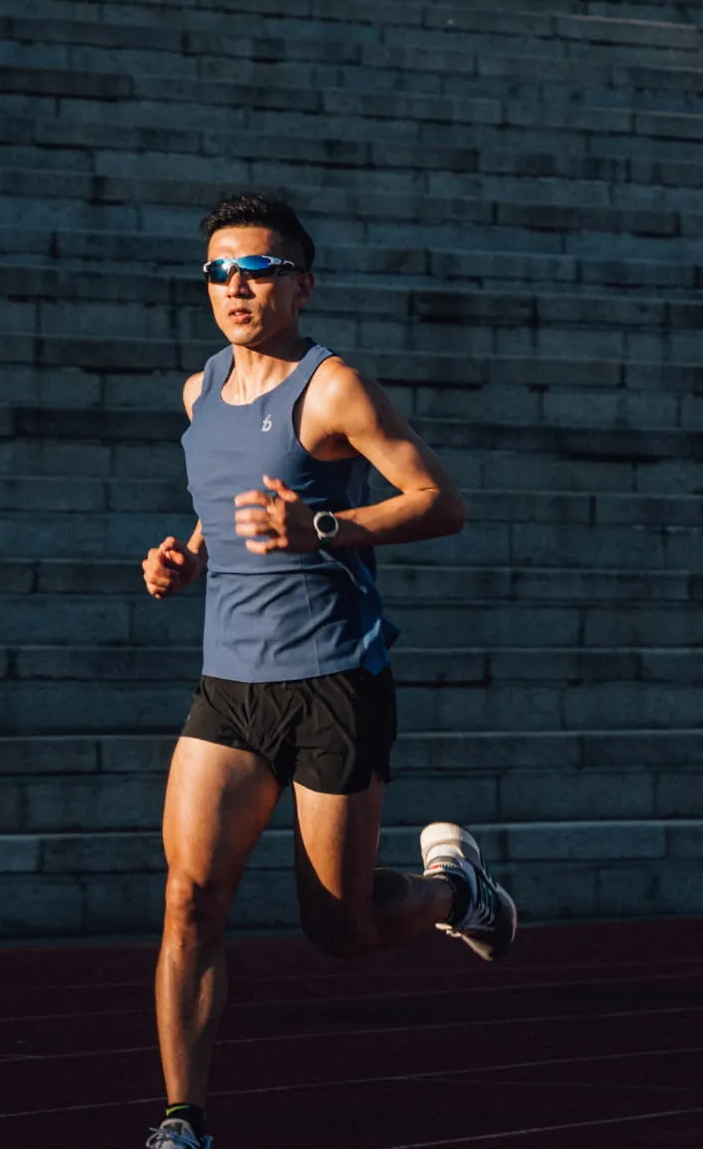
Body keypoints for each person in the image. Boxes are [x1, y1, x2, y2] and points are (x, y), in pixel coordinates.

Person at [138, 193, 517, 1149]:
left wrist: (325, 527)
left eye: (256, 270)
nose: (234, 287)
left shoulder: (332, 387)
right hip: (228, 688)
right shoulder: (197, 391)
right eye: (218, 271)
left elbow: (441, 501)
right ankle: (184, 1120)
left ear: (301, 285)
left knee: (338, 927)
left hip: (334, 684)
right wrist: (183, 556)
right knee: (189, 899)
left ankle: (455, 894)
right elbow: (224, 509)